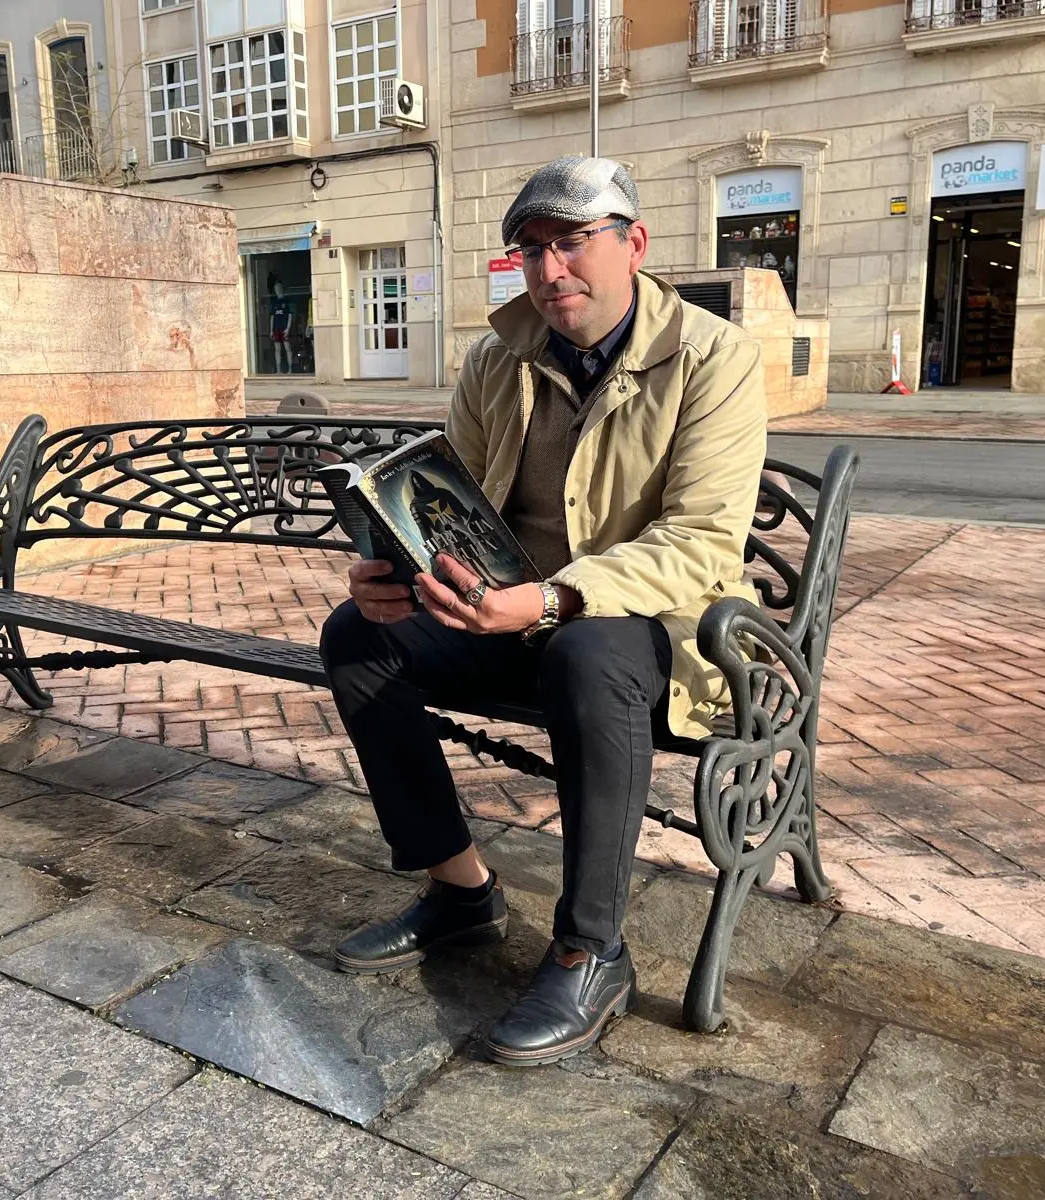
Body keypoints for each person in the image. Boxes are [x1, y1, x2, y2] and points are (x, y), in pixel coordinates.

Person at [319, 156, 767, 1066]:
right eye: (530, 249)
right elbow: (442, 499)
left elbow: (704, 541)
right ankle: (461, 891)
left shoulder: (714, 358)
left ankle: (591, 949)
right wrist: (391, 569)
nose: (549, 269)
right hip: (510, 609)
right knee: (358, 634)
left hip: (658, 625)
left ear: (634, 245)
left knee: (586, 656)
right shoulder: (497, 360)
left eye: (571, 242)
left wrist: (561, 597)